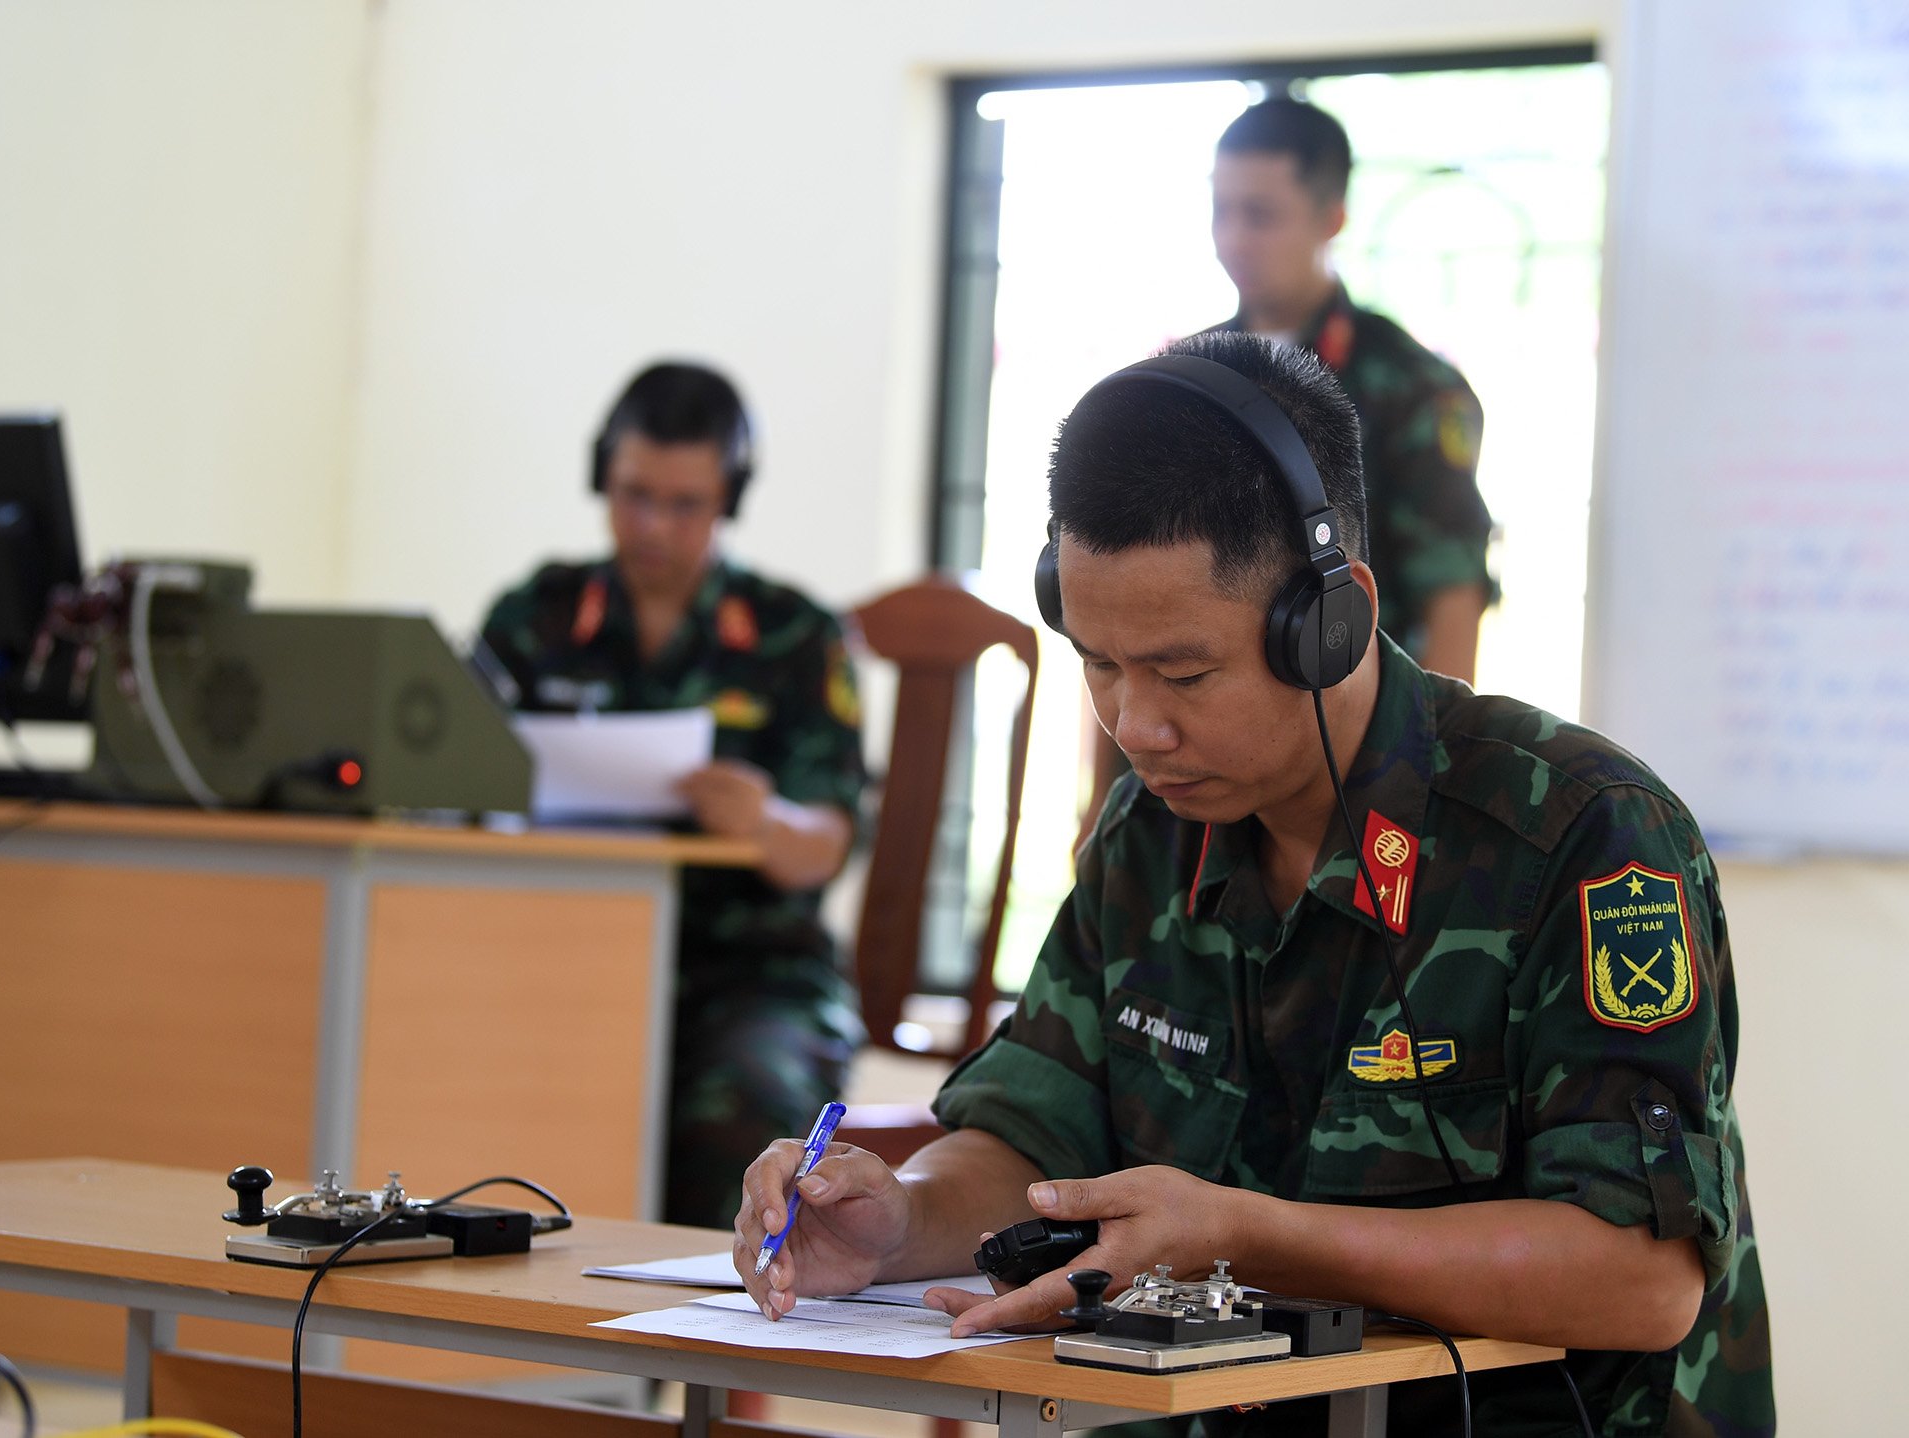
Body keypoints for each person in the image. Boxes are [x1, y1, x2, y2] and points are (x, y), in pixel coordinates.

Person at [732, 333, 1772, 1437]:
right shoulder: (1150, 830)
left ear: (1328, 623)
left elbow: (1641, 1279)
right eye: (1096, 662)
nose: (1135, 726)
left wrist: (1248, 1233)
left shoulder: (1582, 836)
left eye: (1182, 672)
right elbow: (1035, 1138)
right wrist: (902, 1219)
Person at [480, 361, 866, 1231]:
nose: (651, 524)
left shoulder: (794, 635)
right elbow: (456, 789)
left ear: (729, 499)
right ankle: (552, 1366)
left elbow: (830, 841)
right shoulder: (532, 619)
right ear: (600, 480)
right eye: (632, 494)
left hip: (748, 973)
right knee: (480, 1073)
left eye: (684, 503)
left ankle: (731, 1356)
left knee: (741, 1114)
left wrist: (763, 820)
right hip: (558, 953)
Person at [1205, 96, 1494, 682]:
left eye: (1260, 215)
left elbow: (1453, 595)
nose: (1233, 238)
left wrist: (1427, 763)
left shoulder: (1412, 386)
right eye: (1221, 210)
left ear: (1331, 219)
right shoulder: (1190, 375)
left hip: (1356, 718)